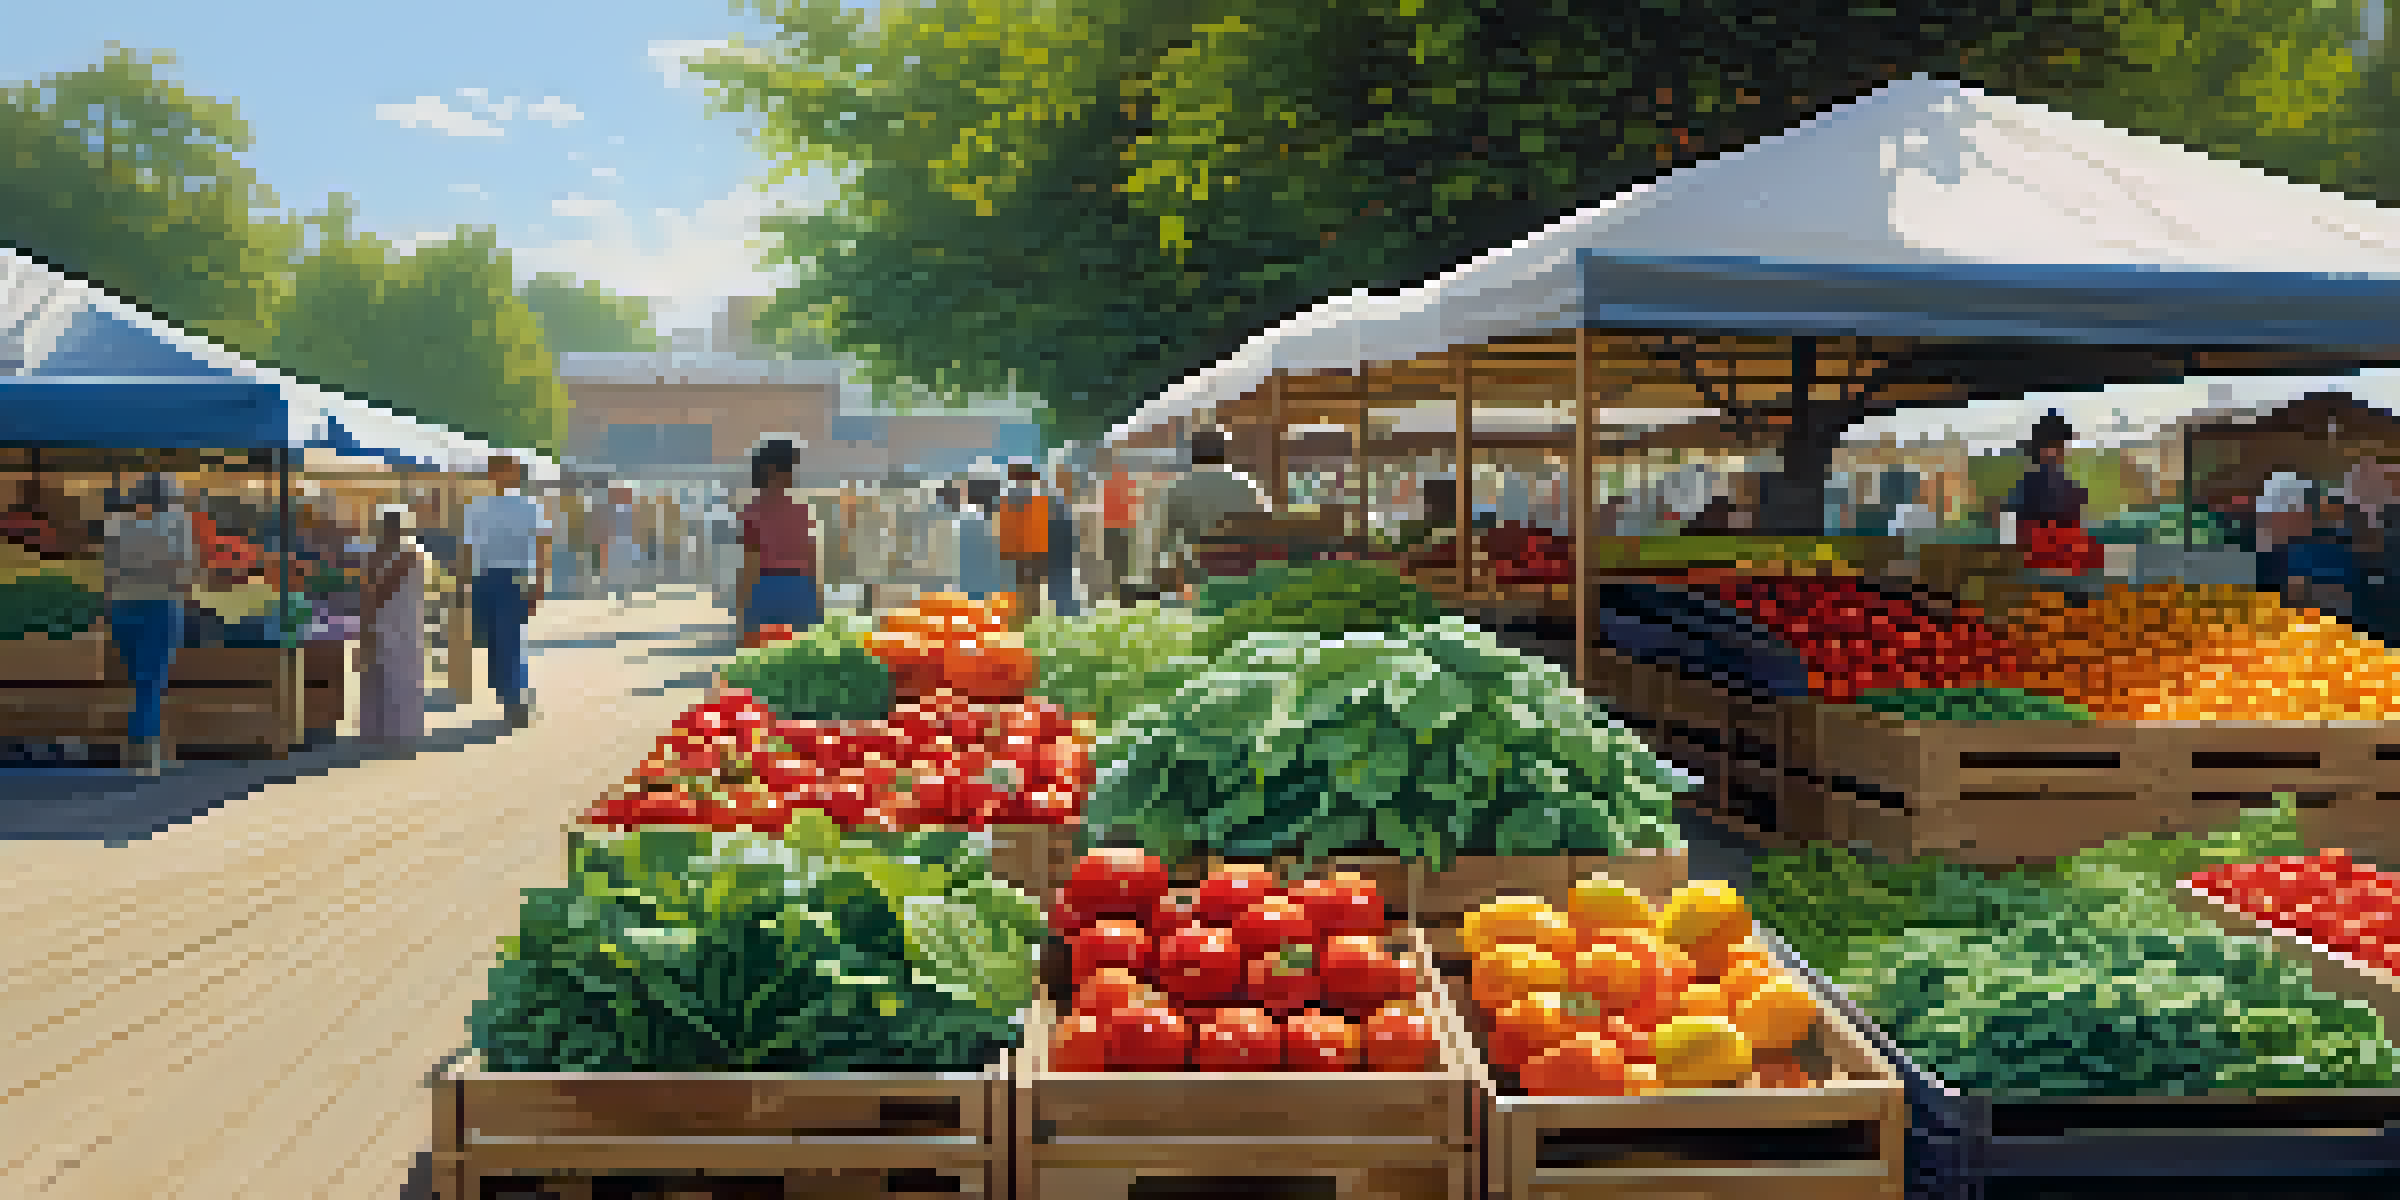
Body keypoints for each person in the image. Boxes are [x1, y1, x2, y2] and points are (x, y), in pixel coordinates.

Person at [101, 473, 199, 775]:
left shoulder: (117, 524)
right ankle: (145, 751)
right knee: (150, 680)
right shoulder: (177, 524)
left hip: (123, 606)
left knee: (137, 678)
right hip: (161, 604)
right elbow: (184, 570)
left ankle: (141, 747)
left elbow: (108, 572)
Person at [460, 455, 552, 729]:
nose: (499, 475)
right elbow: (468, 549)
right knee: (494, 642)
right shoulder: (477, 507)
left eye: (504, 470)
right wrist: (466, 585)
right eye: (495, 470)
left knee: (509, 640)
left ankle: (515, 700)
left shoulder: (529, 507)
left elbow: (542, 546)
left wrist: (539, 584)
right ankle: (509, 696)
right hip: (487, 578)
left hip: (513, 578)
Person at [1157, 428, 1272, 604]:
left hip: (1198, 573)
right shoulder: (1245, 484)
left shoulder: (1179, 487)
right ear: (1223, 452)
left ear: (1193, 453)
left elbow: (1167, 539)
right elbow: (1266, 523)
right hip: (1244, 568)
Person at [357, 504, 427, 748]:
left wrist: (366, 618)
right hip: (398, 621)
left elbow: (378, 590)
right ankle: (388, 730)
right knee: (389, 675)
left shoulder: (406, 553)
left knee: (390, 675)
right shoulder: (408, 552)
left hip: (396, 621)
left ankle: (389, 730)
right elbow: (371, 588)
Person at [737, 440, 821, 636]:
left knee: (760, 647)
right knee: (804, 646)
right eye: (788, 468)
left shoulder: (752, 511)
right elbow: (810, 555)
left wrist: (743, 604)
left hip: (767, 586)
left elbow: (750, 561)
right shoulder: (801, 510)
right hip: (798, 586)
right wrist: (816, 594)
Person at [2002, 410, 2101, 575]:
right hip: (2046, 559)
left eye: (2061, 446)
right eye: (2055, 446)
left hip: (2064, 556)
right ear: (2041, 448)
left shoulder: (2066, 483)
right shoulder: (2031, 483)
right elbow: (2017, 532)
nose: (2060, 451)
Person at [995, 461, 1054, 618]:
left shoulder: (1038, 502)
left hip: (1032, 550)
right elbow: (1007, 527)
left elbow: (1042, 527)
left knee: (1029, 584)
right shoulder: (1011, 502)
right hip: (1025, 550)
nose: (1022, 482)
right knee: (1024, 584)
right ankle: (1027, 612)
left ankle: (1029, 612)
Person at [600, 486, 643, 611]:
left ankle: (623, 599)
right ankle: (618, 599)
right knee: (616, 572)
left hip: (624, 544)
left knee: (624, 572)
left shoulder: (630, 511)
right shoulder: (612, 511)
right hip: (616, 545)